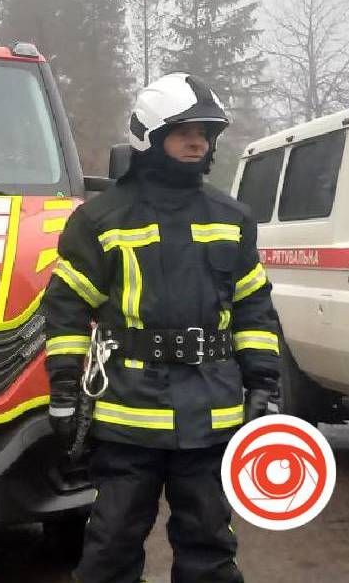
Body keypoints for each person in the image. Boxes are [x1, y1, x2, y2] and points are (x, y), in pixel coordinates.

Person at [41, 73, 280, 583]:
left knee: (210, 546)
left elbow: (253, 308)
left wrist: (264, 383)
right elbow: (65, 310)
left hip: (211, 413)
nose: (198, 143)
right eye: (184, 132)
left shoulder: (232, 218)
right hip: (128, 414)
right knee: (111, 545)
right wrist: (63, 390)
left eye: (206, 133)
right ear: (148, 136)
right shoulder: (101, 219)